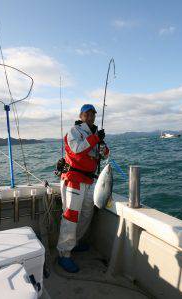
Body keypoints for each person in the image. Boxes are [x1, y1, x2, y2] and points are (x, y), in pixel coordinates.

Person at [56, 104, 109, 273]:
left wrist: (102, 145)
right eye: (87, 114)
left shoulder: (95, 134)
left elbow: (105, 154)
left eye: (93, 114)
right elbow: (76, 150)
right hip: (73, 179)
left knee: (87, 213)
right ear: (81, 115)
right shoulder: (74, 131)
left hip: (89, 181)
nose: (91, 117)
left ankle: (74, 242)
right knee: (71, 217)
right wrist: (95, 139)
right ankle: (64, 253)